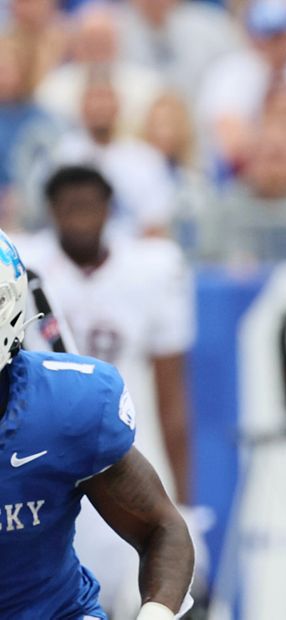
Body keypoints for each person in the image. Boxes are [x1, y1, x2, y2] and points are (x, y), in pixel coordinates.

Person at [15, 165, 197, 616]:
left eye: (90, 207)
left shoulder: (152, 267)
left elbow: (164, 533)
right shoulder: (24, 258)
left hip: (83, 436)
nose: (80, 218)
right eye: (69, 207)